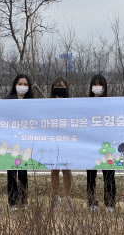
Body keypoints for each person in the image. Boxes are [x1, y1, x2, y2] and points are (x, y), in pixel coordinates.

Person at [86, 74, 116, 212]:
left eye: (100, 85)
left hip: (107, 146)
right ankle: (91, 202)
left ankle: (110, 203)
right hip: (90, 145)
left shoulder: (110, 103)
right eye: (95, 84)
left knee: (109, 174)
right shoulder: (85, 104)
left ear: (104, 87)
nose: (97, 88)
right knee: (91, 175)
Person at [6, 74, 34, 210]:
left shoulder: (33, 102)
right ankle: (12, 202)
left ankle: (23, 200)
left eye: (25, 84)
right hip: (11, 141)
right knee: (11, 173)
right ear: (15, 85)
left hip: (25, 142)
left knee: (23, 173)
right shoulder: (8, 100)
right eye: (20, 83)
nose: (22, 86)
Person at [49, 76, 73, 209]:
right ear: (53, 89)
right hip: (52, 140)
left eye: (62, 87)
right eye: (57, 87)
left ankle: (67, 198)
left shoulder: (71, 104)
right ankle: (55, 197)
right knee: (54, 169)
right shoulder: (47, 104)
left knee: (66, 169)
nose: (60, 90)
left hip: (67, 140)